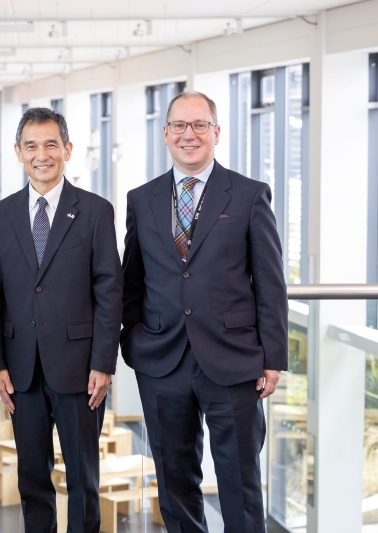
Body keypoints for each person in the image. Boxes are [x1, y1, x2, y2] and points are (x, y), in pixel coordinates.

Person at [121, 91, 288, 533]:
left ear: (216, 132)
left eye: (199, 125)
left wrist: (272, 357)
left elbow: (271, 282)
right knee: (174, 481)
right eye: (179, 125)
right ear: (165, 134)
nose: (188, 135)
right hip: (160, 359)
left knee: (239, 479)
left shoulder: (250, 195)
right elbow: (132, 280)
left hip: (233, 360)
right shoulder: (141, 199)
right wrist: (133, 338)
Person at [0, 107, 123, 533]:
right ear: (18, 153)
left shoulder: (95, 211)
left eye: (50, 145)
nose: (42, 154)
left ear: (67, 149)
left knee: (83, 479)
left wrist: (103, 362)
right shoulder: (0, 215)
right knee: (32, 480)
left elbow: (109, 291)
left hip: (80, 371)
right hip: (21, 370)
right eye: (31, 146)